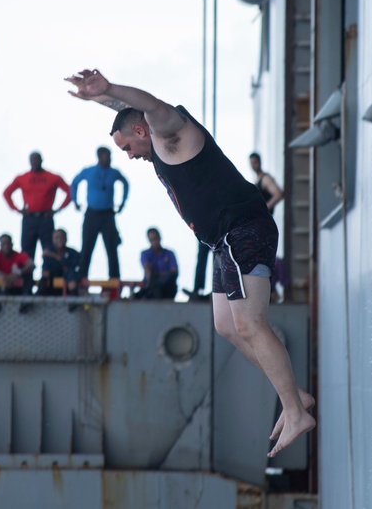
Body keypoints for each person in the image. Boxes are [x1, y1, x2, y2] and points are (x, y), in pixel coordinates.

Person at [65, 68, 315, 458]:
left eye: (127, 147)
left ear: (143, 132)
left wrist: (110, 87)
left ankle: (295, 411)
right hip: (222, 241)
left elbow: (150, 106)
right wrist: (99, 98)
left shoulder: (172, 132)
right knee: (227, 326)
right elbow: (128, 111)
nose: (128, 157)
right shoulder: (152, 140)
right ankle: (292, 393)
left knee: (250, 322)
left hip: (242, 231)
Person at [2, 152, 72, 270]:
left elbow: (70, 192)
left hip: (45, 218)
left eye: (37, 160)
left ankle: (47, 281)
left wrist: (58, 209)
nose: (35, 162)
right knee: (27, 252)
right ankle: (26, 284)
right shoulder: (22, 178)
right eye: (32, 160)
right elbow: (6, 193)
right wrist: (17, 209)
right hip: (29, 218)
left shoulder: (53, 177)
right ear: (29, 161)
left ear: (42, 160)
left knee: (49, 250)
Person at [70, 147, 128, 283]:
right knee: (87, 247)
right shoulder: (89, 171)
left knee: (111, 248)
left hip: (108, 216)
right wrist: (75, 202)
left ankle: (115, 279)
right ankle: (81, 277)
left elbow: (126, 183)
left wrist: (122, 203)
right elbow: (74, 183)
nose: (109, 159)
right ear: (99, 156)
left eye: (110, 156)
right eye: (106, 156)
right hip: (92, 215)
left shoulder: (114, 172)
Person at [136, 227, 178, 300]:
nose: (154, 241)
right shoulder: (145, 253)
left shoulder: (169, 253)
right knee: (153, 282)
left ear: (160, 238)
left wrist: (157, 275)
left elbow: (174, 272)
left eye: (156, 238)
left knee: (165, 279)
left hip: (166, 289)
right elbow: (148, 271)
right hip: (152, 287)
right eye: (152, 240)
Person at [39, 228, 82, 296]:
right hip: (50, 286)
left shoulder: (73, 253)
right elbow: (46, 268)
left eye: (62, 237)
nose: (59, 240)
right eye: (56, 238)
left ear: (66, 239)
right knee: (47, 268)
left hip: (68, 287)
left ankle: (74, 297)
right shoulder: (48, 252)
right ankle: (39, 293)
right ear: (52, 239)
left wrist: (56, 257)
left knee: (71, 272)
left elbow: (73, 266)